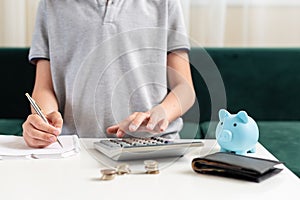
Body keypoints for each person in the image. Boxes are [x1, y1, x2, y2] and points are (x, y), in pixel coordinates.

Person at [22, 0, 195, 148]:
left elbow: (185, 89)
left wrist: (160, 113)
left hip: (154, 145)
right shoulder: (51, 5)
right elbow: (45, 87)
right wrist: (44, 121)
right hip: (76, 148)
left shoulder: (165, 3)